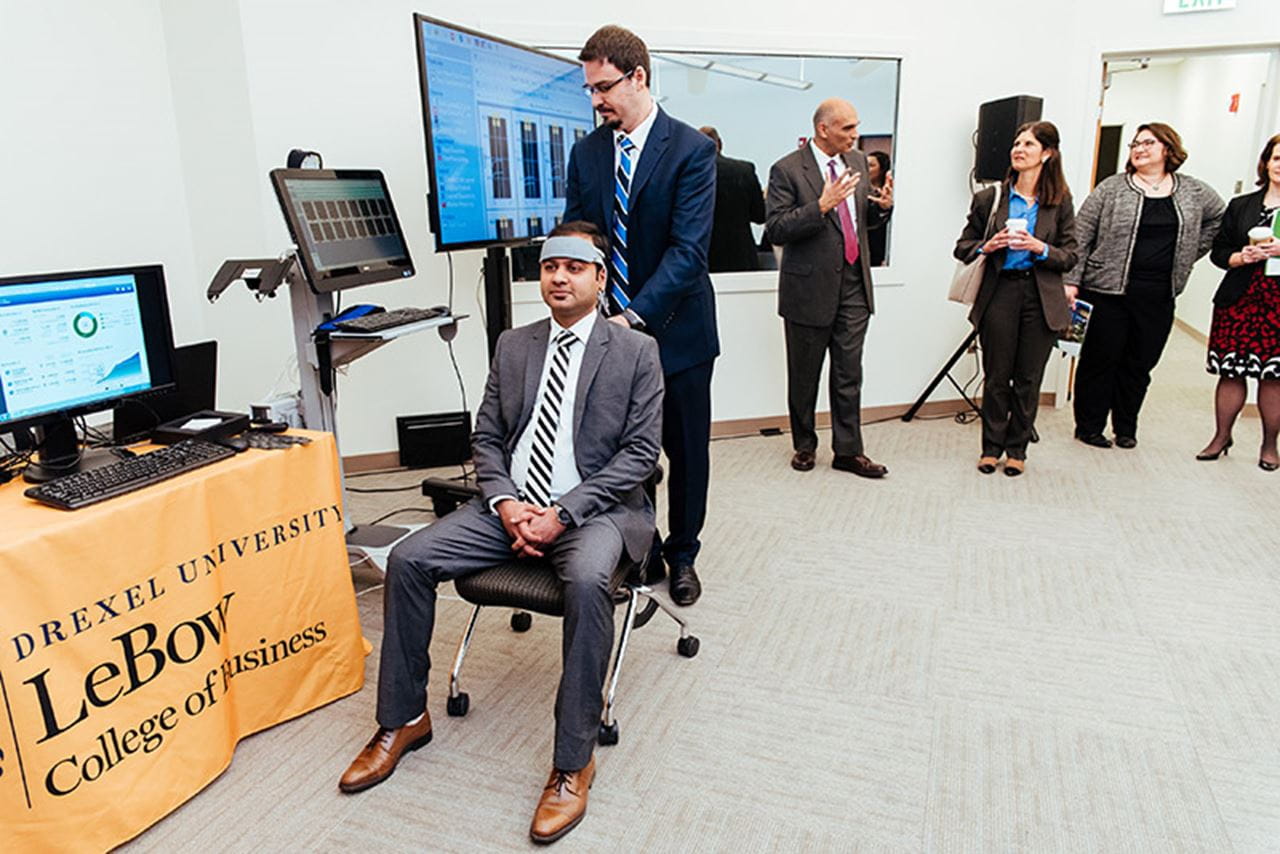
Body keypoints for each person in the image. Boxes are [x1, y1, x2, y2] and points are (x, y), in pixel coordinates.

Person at [337, 222, 664, 845]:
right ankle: (404, 718)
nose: (560, 278)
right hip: (509, 508)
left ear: (600, 278)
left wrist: (562, 512)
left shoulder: (635, 354)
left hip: (594, 511)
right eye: (550, 268)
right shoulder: (515, 345)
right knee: (408, 558)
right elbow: (486, 438)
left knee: (591, 581)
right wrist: (508, 502)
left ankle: (572, 762)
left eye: (574, 268)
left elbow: (640, 455)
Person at [563, 25, 717, 606]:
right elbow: (580, 236)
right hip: (608, 338)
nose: (597, 100)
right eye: (590, 90)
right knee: (621, 452)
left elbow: (688, 254)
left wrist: (630, 317)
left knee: (685, 451)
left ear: (639, 77)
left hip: (678, 335)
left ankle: (682, 555)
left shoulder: (692, 151)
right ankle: (639, 548)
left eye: (604, 86)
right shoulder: (588, 153)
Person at [1065, 122, 1225, 449]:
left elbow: (1221, 220)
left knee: (1140, 364)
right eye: (1135, 144)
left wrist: (1190, 252)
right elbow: (1080, 236)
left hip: (1158, 295)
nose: (1139, 149)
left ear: (1168, 148)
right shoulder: (1112, 188)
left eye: (1148, 143)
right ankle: (1089, 426)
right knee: (1100, 361)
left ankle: (1126, 427)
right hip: (1107, 291)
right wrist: (1071, 281)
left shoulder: (1193, 191)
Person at [764, 97, 894, 477]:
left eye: (856, 126)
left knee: (849, 372)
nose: (856, 135)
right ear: (824, 129)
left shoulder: (856, 163)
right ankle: (804, 445)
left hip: (854, 284)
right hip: (809, 289)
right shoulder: (787, 170)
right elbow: (776, 228)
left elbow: (857, 221)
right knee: (804, 376)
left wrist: (881, 209)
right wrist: (820, 206)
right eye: (848, 128)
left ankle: (849, 451)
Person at [953, 121, 1079, 476]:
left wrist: (1040, 248)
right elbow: (961, 248)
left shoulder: (1060, 202)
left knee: (1028, 378)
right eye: (1016, 143)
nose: (1018, 149)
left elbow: (1070, 255)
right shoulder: (989, 199)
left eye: (1028, 144)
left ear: (1048, 154)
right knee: (996, 376)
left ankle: (1017, 449)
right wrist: (986, 246)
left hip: (1040, 295)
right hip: (1000, 291)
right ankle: (990, 448)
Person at [1197, 133, 1280, 471]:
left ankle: (1269, 446)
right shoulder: (1242, 205)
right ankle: (1221, 436)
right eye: (1277, 158)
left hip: (1277, 305)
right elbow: (1218, 252)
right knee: (1230, 371)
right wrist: (1239, 257)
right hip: (1239, 298)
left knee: (1273, 376)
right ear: (1266, 162)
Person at [699, 125, 767, 273]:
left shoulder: (688, 175)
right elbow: (760, 216)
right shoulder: (744, 170)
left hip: (705, 260)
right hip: (742, 258)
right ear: (720, 144)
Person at [866, 150, 893, 266]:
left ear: (882, 169)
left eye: (871, 165)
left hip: (878, 248)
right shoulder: (858, 189)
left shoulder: (888, 193)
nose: (866, 169)